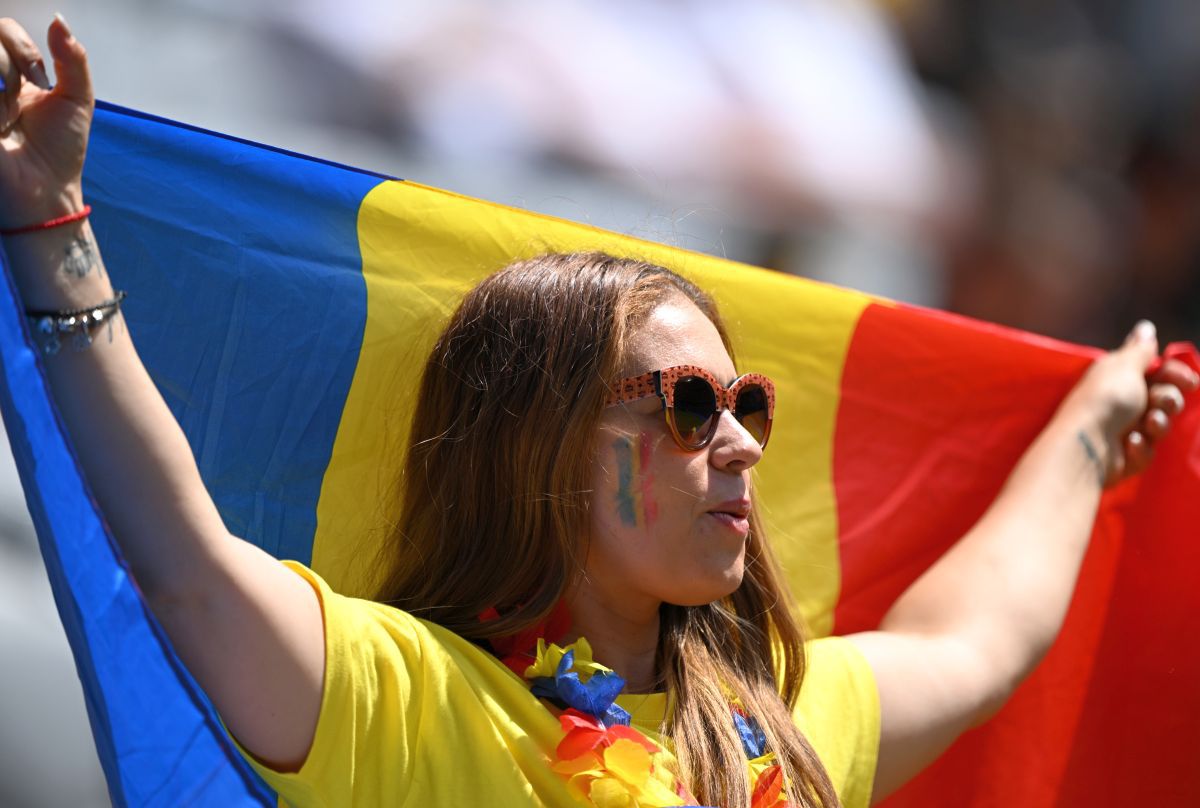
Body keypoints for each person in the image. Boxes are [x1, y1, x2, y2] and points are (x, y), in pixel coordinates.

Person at [1, 15, 1197, 808]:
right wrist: (54, 224)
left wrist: (1087, 438)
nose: (737, 442)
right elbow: (190, 571)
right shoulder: (407, 698)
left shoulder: (769, 724)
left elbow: (975, 639)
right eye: (687, 405)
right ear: (546, 452)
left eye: (748, 404)